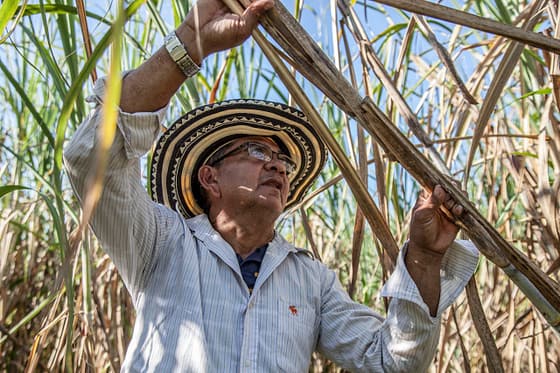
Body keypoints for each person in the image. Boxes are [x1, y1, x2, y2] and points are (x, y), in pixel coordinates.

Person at [64, 0, 479, 371]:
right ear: (210, 178)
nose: (278, 167)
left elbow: (392, 362)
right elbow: (90, 159)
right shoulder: (161, 243)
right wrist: (191, 41)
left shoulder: (310, 279)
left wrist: (424, 259)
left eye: (282, 160)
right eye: (257, 153)